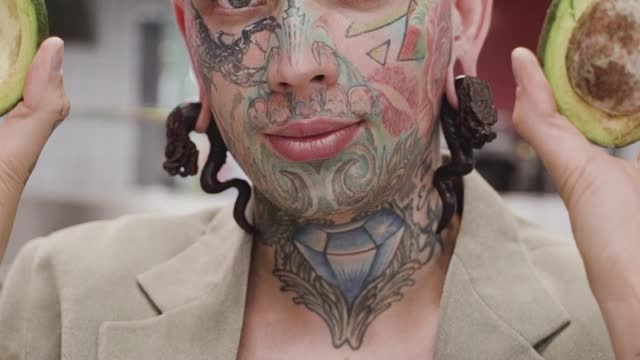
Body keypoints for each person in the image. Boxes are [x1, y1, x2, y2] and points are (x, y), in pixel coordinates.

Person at [0, 0, 638, 358]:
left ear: (463, 18)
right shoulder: (62, 297)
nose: (296, 63)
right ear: (192, 43)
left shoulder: (609, 319)